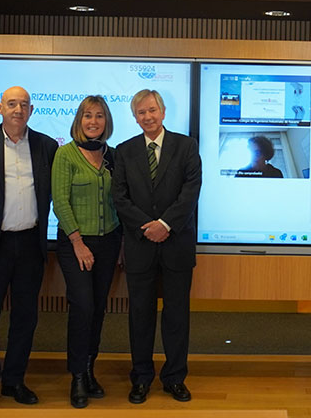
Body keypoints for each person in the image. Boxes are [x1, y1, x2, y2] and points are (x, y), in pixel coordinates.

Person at [0, 86, 58, 408]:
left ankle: (14, 381)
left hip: (31, 244)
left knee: (25, 318)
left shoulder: (46, 146)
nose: (18, 109)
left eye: (24, 104)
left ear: (32, 110)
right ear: (0, 108)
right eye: (12, 104)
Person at [112, 89, 202, 404]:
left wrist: (165, 225)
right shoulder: (124, 151)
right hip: (140, 245)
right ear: (135, 117)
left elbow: (191, 191)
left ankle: (175, 378)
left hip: (176, 243)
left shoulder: (186, 146)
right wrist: (146, 227)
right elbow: (119, 197)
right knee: (140, 315)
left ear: (163, 111)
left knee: (177, 315)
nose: (147, 117)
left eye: (152, 110)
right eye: (141, 112)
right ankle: (141, 378)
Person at [51, 95, 122, 409]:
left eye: (99, 116)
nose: (93, 122)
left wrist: (120, 246)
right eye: (87, 116)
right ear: (78, 121)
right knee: (82, 306)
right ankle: (77, 376)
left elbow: (122, 201)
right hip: (74, 244)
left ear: (107, 121)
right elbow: (60, 201)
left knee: (98, 310)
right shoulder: (65, 154)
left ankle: (90, 370)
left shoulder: (115, 156)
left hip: (109, 243)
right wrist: (78, 243)